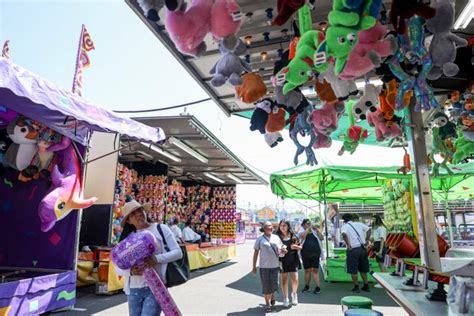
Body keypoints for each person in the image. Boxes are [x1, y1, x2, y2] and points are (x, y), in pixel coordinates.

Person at [115, 200, 182, 316]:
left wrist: (156, 259)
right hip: (134, 288)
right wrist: (130, 271)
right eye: (133, 214)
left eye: (140, 210)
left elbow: (178, 252)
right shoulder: (128, 239)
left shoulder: (161, 229)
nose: (138, 214)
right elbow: (117, 266)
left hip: (156, 286)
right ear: (129, 221)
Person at [252, 221, 287, 313]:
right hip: (264, 267)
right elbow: (256, 253)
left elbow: (281, 247)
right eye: (268, 226)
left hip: (275, 266)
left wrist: (284, 250)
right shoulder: (259, 239)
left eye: (271, 226)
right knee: (266, 286)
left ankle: (273, 296)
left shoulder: (276, 237)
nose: (270, 228)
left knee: (275, 284)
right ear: (263, 228)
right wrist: (254, 266)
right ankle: (267, 303)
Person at [341, 213, 371, 293]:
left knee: (353, 269)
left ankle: (356, 287)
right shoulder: (359, 224)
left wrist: (348, 244)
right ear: (351, 218)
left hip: (353, 250)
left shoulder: (345, 226)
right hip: (362, 248)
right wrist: (367, 240)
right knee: (363, 269)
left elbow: (344, 234)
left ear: (344, 220)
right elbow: (369, 230)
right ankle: (366, 285)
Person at [276, 220, 302, 307]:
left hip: (293, 260)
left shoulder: (293, 236)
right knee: (284, 280)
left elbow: (301, 246)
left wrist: (295, 246)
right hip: (282, 260)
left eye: (284, 225)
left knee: (295, 279)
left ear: (288, 227)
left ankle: (294, 294)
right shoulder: (277, 237)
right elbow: (273, 247)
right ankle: (285, 298)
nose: (282, 227)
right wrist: (280, 250)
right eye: (281, 225)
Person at [299, 219, 324, 294]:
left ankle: (318, 287)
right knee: (307, 270)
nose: (309, 225)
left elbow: (322, 238)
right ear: (303, 225)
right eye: (307, 224)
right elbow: (302, 236)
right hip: (305, 253)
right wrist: (308, 228)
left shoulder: (315, 231)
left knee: (315, 270)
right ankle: (307, 286)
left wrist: (317, 230)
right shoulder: (301, 231)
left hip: (316, 253)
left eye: (310, 223)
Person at [371, 214, 388, 288]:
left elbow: (382, 240)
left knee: (382, 264)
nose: (373, 221)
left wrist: (380, 251)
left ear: (378, 220)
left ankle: (385, 283)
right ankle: (383, 282)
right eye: (372, 219)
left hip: (380, 246)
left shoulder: (382, 228)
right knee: (380, 264)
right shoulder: (375, 228)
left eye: (374, 219)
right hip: (376, 245)